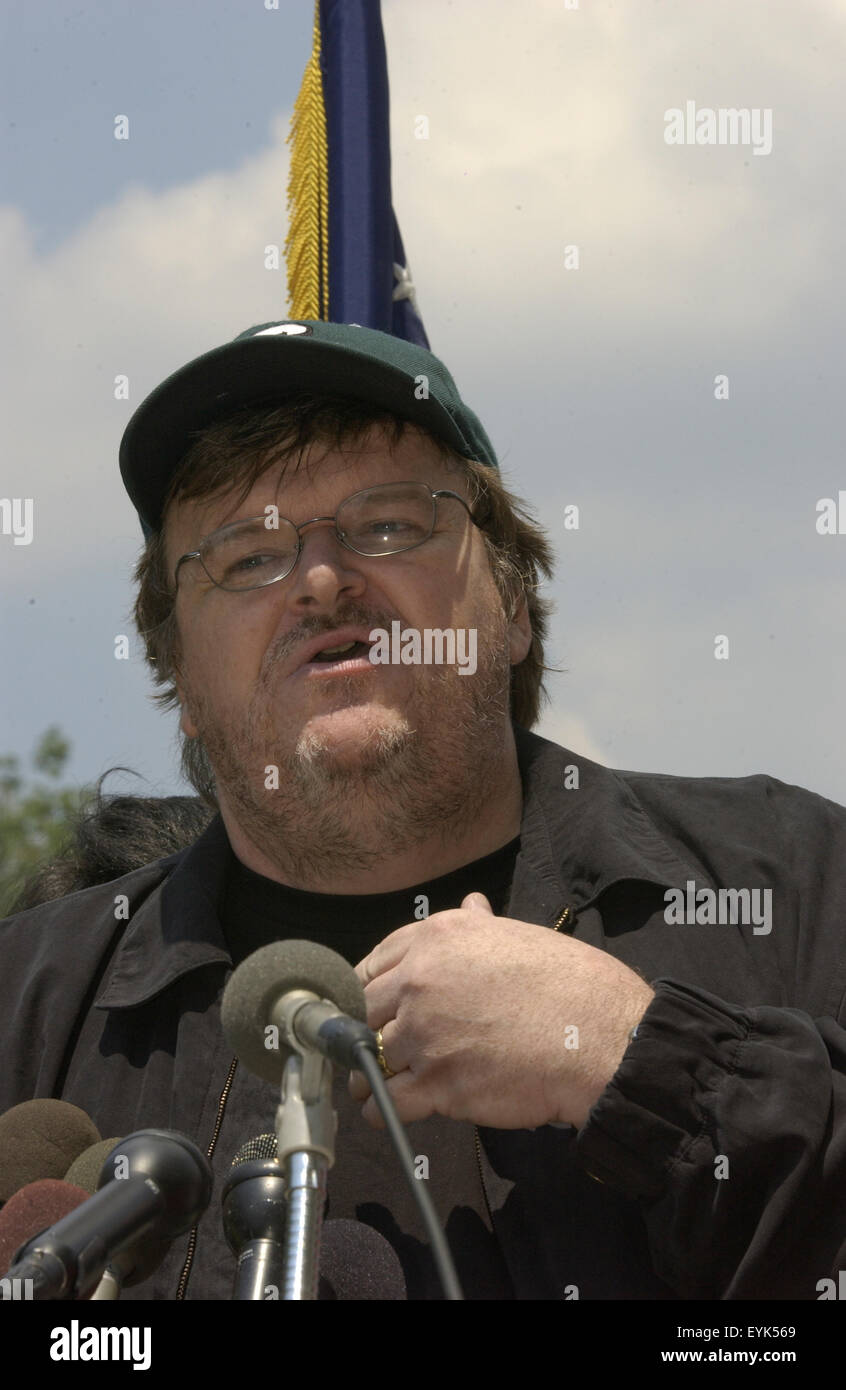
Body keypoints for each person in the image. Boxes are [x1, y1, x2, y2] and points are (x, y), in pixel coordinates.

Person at [1, 319, 845, 1301]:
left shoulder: (789, 882)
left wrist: (636, 1057)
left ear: (515, 604)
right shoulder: (30, 995)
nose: (322, 579)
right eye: (245, 555)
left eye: (391, 525)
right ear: (179, 673)